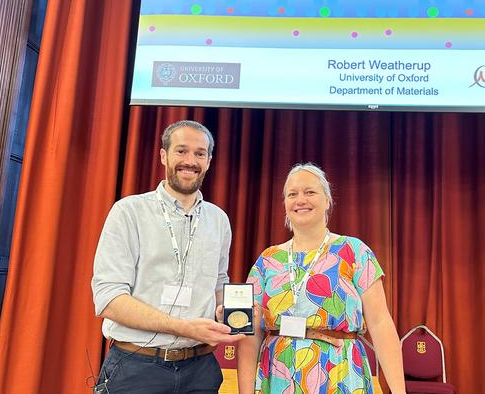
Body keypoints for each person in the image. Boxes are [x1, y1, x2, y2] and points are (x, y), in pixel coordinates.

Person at [92, 120, 243, 394]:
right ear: (164, 156)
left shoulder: (219, 220)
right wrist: (184, 328)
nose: (190, 161)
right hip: (136, 368)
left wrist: (230, 313)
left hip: (200, 372)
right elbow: (109, 300)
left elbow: (219, 284)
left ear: (209, 161)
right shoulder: (129, 212)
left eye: (200, 153)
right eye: (181, 151)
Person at [236, 163, 406, 394]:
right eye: (292, 194)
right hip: (278, 378)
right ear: (285, 204)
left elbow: (380, 323)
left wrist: (398, 391)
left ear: (327, 200)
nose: (300, 200)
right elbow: (250, 333)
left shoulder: (354, 251)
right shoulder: (268, 260)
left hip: (340, 374)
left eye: (310, 192)